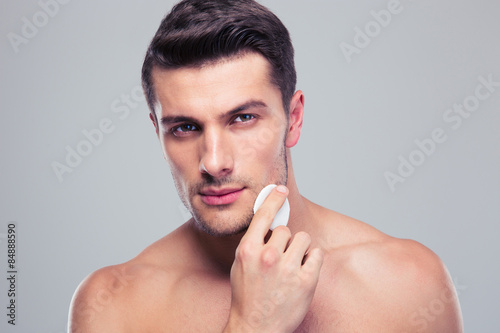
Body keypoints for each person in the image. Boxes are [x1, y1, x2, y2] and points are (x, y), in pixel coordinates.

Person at [69, 0, 463, 331]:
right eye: (185, 127)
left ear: (293, 119)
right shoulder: (113, 308)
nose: (214, 161)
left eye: (242, 119)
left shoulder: (410, 285)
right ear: (157, 131)